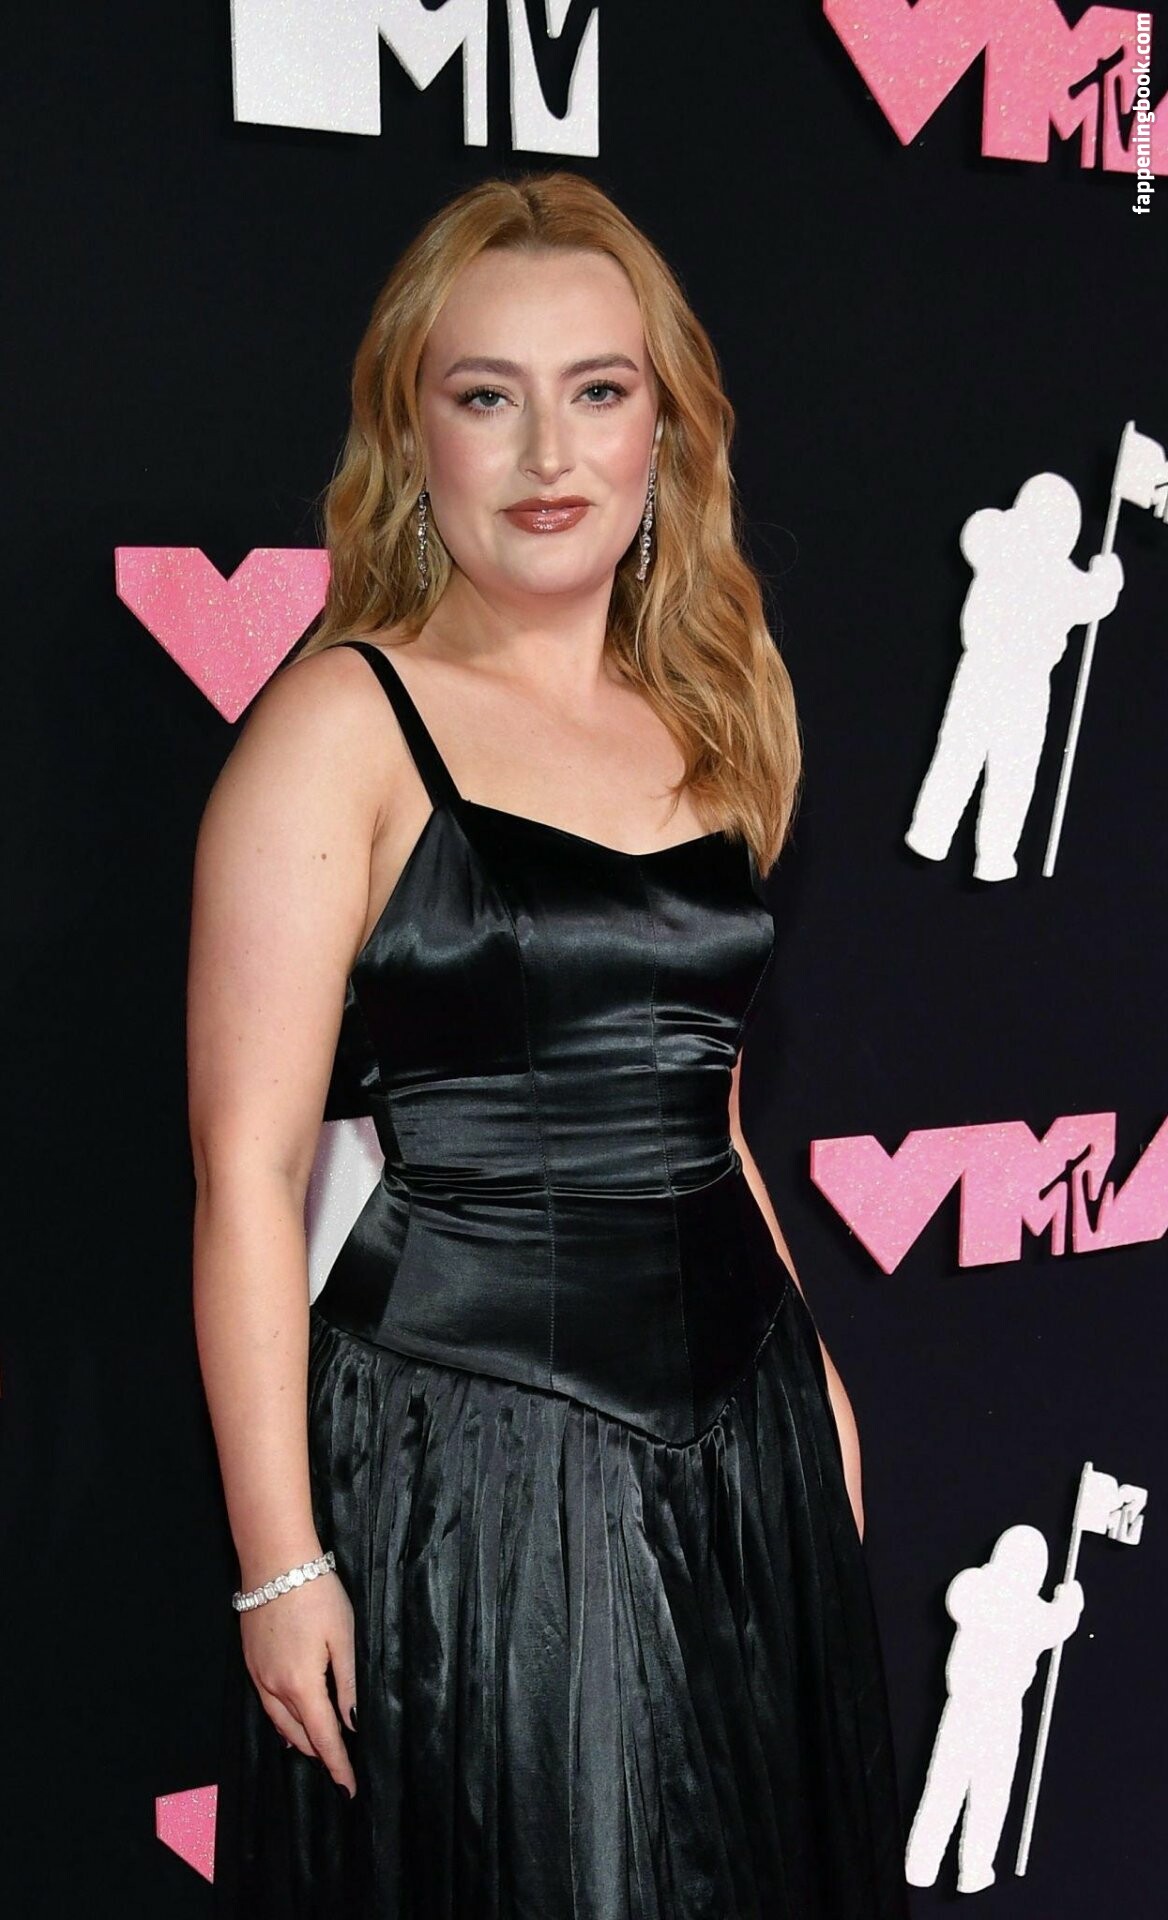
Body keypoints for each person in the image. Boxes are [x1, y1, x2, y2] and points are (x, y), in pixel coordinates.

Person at [188, 169, 910, 1918]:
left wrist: (816, 1389)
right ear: (411, 435)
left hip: (743, 1436)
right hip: (474, 1466)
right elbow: (248, 1173)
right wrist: (279, 1561)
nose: (547, 454)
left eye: (597, 390)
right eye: (485, 396)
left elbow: (702, 1109)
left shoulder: (709, 713)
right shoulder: (337, 725)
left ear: (665, 429)